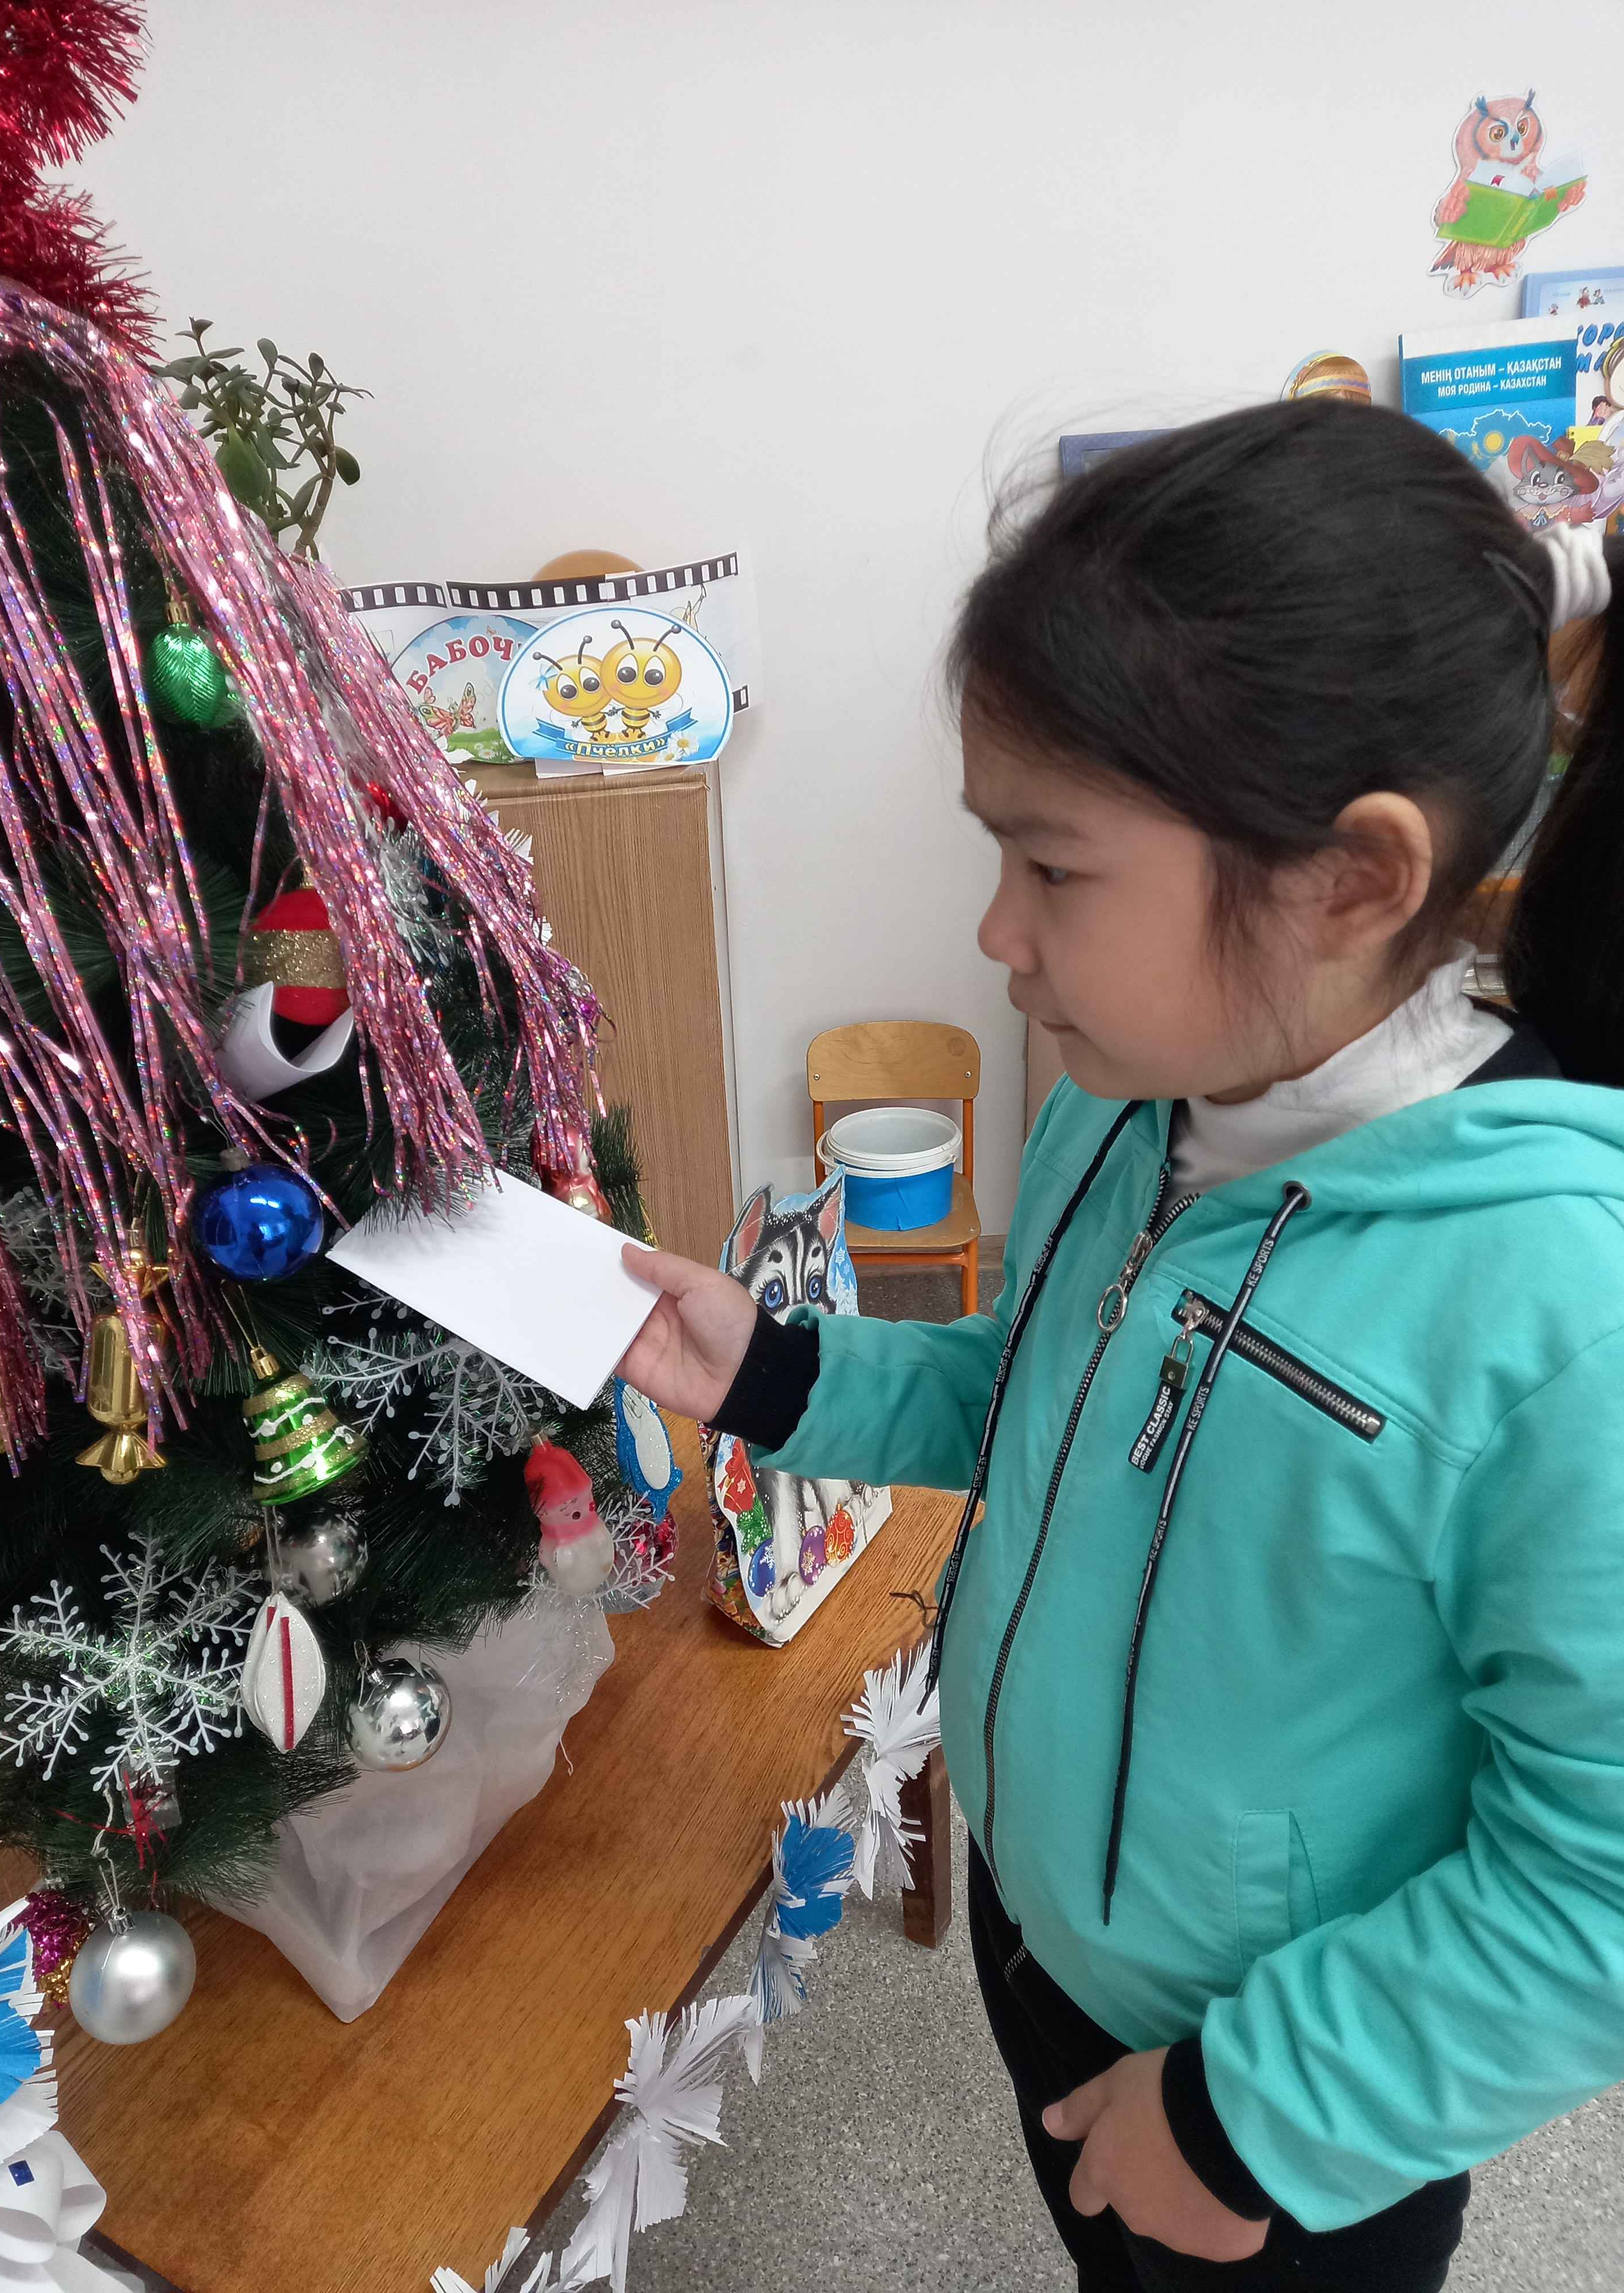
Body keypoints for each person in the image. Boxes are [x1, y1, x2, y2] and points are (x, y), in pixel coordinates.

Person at [619, 398, 1624, 2292]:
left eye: (1054, 871)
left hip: (1290, 2111)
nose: (998, 933)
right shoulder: (1123, 1094)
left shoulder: (1559, 1308)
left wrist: (1251, 2118)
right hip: (1053, 1949)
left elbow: (1600, 1882)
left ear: (1354, 879)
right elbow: (1039, 1398)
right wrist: (774, 1370)